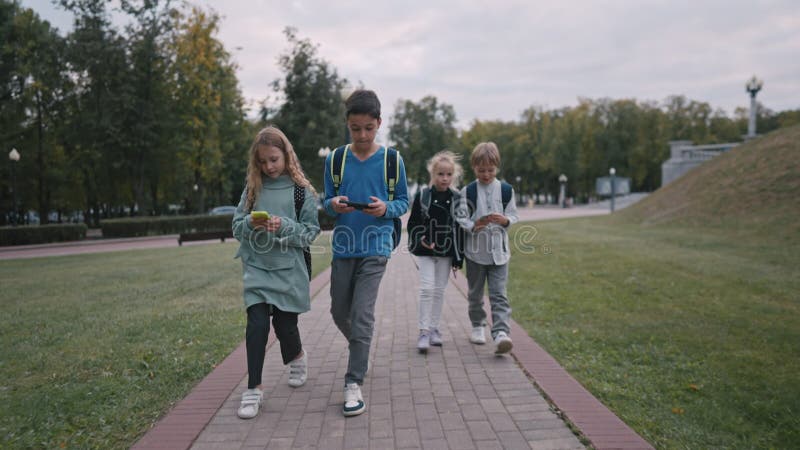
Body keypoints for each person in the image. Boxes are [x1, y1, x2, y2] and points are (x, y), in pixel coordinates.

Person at [323, 89, 409, 416]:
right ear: (347, 124)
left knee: (361, 314)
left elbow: (403, 202)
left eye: (368, 128)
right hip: (344, 246)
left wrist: (386, 208)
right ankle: (362, 347)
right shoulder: (336, 159)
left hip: (377, 246)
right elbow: (326, 201)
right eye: (355, 128)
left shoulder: (391, 160)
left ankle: (353, 381)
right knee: (337, 311)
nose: (362, 135)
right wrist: (331, 204)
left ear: (379, 124)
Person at [231, 126, 321, 419]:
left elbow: (309, 233)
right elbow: (236, 226)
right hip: (257, 267)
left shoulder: (301, 192)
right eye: (262, 161)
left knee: (285, 328)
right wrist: (251, 225)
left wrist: (283, 226)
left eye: (273, 159)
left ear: (286, 155)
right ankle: (253, 389)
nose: (268, 166)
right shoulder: (253, 189)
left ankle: (296, 355)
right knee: (256, 325)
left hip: (288, 270)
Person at [455, 142, 519, 355]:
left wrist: (505, 220)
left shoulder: (506, 190)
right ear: (474, 168)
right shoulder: (469, 191)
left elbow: (513, 215)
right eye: (481, 170)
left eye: (490, 170)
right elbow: (461, 217)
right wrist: (474, 224)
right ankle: (477, 325)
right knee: (475, 294)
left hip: (500, 254)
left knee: (499, 294)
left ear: (497, 167)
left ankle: (501, 332)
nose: (486, 174)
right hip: (475, 253)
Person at [407, 150, 465, 353]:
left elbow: (459, 229)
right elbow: (413, 224)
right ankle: (423, 331)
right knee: (426, 289)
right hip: (425, 252)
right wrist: (422, 238)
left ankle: (434, 329)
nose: (445, 178)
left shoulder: (457, 197)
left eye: (449, 174)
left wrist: (459, 257)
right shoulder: (423, 195)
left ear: (454, 175)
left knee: (439, 291)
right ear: (433, 174)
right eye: (441, 174)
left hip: (447, 252)